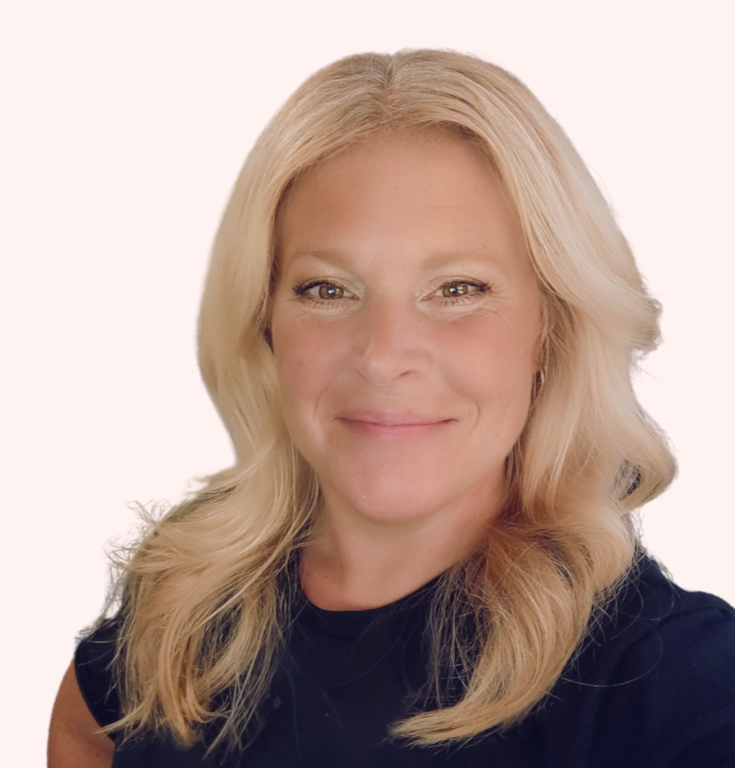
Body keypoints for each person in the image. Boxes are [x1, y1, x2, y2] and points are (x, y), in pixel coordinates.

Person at [48, 49, 735, 767]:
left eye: (457, 289)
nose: (381, 354)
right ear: (264, 324)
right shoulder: (190, 610)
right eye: (327, 290)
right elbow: (84, 729)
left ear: (550, 330)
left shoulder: (668, 678)